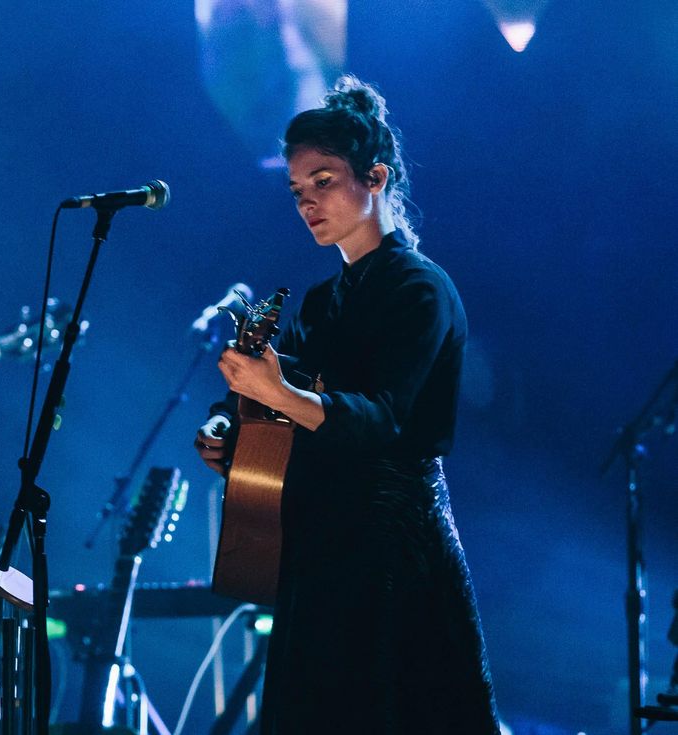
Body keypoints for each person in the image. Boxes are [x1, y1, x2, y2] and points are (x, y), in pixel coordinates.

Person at [195, 76, 500, 733]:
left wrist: (279, 390)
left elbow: (384, 417)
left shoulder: (422, 291)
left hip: (395, 557)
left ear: (376, 177)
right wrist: (237, 440)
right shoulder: (315, 304)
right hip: (322, 558)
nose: (307, 202)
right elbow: (290, 424)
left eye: (323, 180)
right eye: (297, 189)